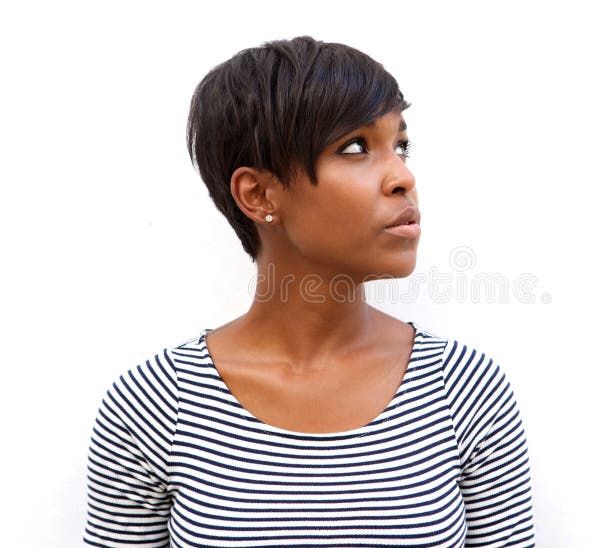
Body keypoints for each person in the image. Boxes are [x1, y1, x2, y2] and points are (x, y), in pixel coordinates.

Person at [84, 36, 535, 547]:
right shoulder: (154, 405)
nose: (404, 178)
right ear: (258, 194)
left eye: (401, 146)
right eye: (356, 147)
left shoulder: (466, 390)